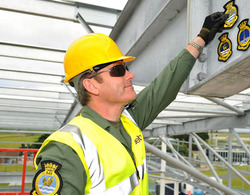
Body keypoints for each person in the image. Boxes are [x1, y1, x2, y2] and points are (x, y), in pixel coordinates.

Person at [30, 12, 228, 195]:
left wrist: (201, 38)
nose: (130, 75)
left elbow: (166, 85)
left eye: (126, 68)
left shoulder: (128, 122)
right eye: (118, 70)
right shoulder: (67, 148)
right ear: (91, 85)